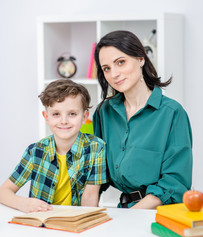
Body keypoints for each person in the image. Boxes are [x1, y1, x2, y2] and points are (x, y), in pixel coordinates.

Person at [93, 30, 193, 209]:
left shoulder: (172, 113)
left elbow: (174, 182)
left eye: (120, 62)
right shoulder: (104, 112)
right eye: (106, 68)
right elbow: (96, 174)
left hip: (161, 214)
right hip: (123, 210)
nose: (114, 74)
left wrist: (130, 217)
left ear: (141, 59)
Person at [0, 79, 108, 212]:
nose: (64, 121)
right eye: (56, 114)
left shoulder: (96, 148)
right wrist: (24, 204)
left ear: (84, 117)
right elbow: (3, 192)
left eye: (72, 114)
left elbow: (90, 198)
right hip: (41, 222)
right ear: (46, 117)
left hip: (74, 223)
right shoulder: (35, 151)